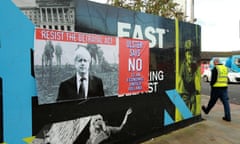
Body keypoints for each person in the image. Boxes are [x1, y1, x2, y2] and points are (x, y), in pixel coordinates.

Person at [178, 40, 200, 115]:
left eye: (191, 55)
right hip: (185, 92)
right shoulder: (183, 66)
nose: (190, 57)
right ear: (186, 55)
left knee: (193, 112)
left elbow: (197, 77)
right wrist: (178, 90)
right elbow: (180, 79)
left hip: (192, 92)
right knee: (185, 112)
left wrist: (197, 90)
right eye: (188, 55)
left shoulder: (194, 65)